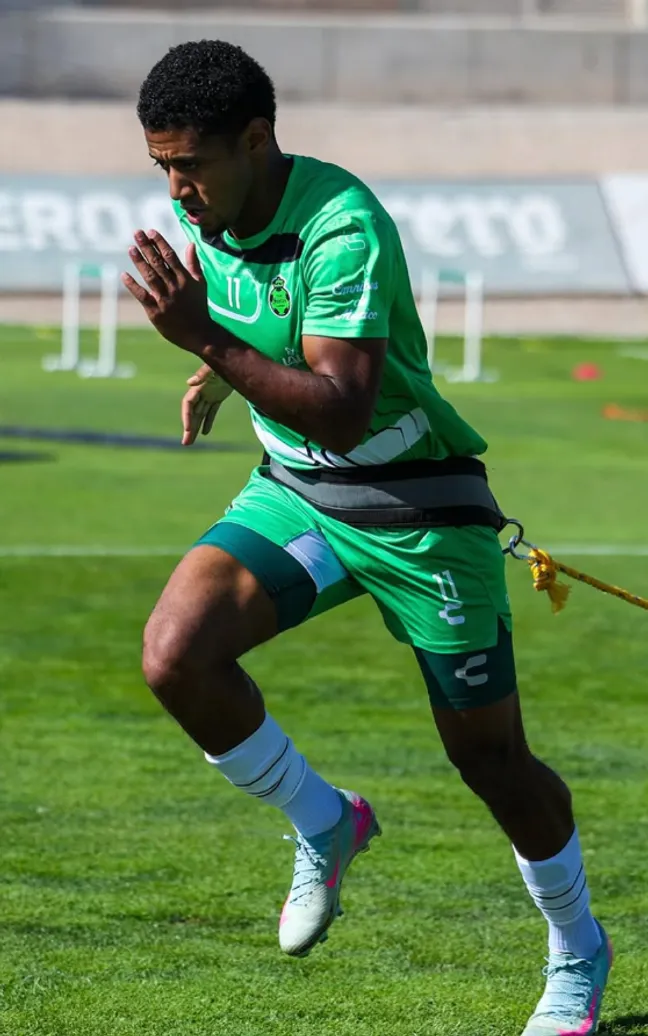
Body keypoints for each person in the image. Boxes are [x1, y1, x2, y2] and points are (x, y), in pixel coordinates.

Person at [123, 39, 612, 1035]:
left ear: (256, 141)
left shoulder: (343, 225)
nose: (177, 189)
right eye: (162, 166)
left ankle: (578, 952)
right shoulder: (207, 213)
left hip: (419, 511)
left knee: (492, 760)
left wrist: (203, 342)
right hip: (300, 496)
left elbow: (343, 408)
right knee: (177, 655)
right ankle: (326, 820)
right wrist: (225, 366)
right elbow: (274, 325)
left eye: (191, 165)